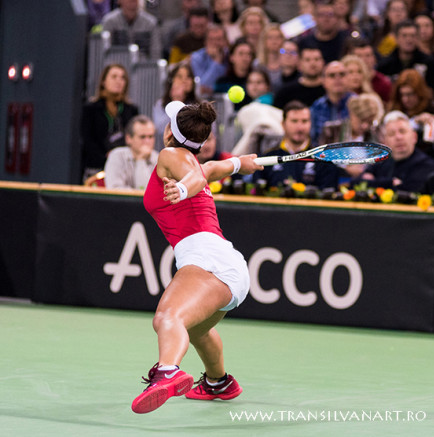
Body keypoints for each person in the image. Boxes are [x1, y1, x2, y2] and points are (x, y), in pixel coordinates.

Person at [132, 100, 263, 414]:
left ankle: (167, 371)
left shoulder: (170, 156)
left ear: (168, 132)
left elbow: (197, 178)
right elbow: (212, 170)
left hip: (207, 260)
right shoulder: (191, 161)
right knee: (194, 329)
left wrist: (181, 187)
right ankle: (219, 382)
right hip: (228, 267)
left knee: (167, 319)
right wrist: (239, 164)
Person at [253, 100, 340, 189]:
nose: (300, 127)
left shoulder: (323, 161)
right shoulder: (267, 159)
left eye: (304, 121)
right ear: (283, 124)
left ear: (310, 124)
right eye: (294, 121)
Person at [81, 64, 140, 182]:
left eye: (122, 78)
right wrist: (107, 157)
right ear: (103, 81)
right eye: (114, 77)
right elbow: (87, 140)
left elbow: (135, 138)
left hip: (125, 168)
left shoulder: (131, 110)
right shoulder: (91, 109)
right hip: (96, 168)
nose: (119, 81)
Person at [357, 110, 434, 192]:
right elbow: (356, 183)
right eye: (391, 134)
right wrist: (391, 182)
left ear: (414, 137)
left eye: (402, 131)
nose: (398, 137)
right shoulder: (381, 163)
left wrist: (374, 183)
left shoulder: (426, 165)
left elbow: (407, 191)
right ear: (385, 142)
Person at [377, 19, 434, 94]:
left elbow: (433, 90)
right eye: (404, 36)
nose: (409, 40)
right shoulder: (384, 65)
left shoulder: (428, 62)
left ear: (418, 38)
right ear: (396, 38)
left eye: (413, 36)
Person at [152, 63, 200, 151]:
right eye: (179, 76)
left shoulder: (200, 105)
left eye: (188, 76)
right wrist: (176, 102)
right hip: (166, 149)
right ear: (171, 80)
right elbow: (160, 128)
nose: (184, 80)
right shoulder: (161, 104)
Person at [104, 115, 159, 190]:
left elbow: (148, 191)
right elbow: (114, 189)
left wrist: (141, 160)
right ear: (128, 138)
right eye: (142, 137)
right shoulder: (117, 156)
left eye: (150, 136)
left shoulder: (159, 159)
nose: (147, 141)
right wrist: (141, 159)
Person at [310, 61, 354, 143]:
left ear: (348, 78)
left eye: (342, 74)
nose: (337, 78)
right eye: (332, 75)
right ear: (323, 81)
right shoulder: (316, 107)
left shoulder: (358, 104)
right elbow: (313, 139)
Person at [346, 36, 393, 103]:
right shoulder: (345, 83)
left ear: (374, 59)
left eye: (367, 55)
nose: (364, 60)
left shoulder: (383, 83)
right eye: (359, 56)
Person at [190, 24, 230, 98]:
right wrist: (217, 61)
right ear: (205, 42)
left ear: (225, 41)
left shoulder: (232, 55)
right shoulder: (196, 57)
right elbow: (202, 86)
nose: (215, 43)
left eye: (218, 39)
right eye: (211, 39)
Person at [253, 23, 285, 92]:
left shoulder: (287, 63)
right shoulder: (257, 64)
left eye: (278, 37)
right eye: (270, 38)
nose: (274, 41)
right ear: (264, 41)